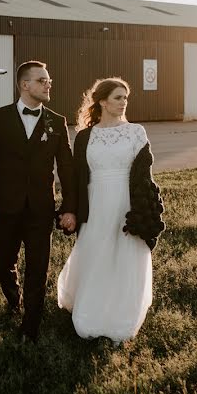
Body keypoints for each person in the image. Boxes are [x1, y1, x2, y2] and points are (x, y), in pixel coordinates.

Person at [0, 61, 77, 342]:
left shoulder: (56, 121)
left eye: (49, 80)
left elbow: (66, 168)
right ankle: (13, 299)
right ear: (24, 85)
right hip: (4, 208)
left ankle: (31, 325)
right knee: (4, 261)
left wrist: (69, 206)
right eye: (42, 80)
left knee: (38, 267)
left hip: (40, 209)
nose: (48, 84)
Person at [57, 77, 165, 343]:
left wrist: (144, 211)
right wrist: (71, 209)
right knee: (96, 254)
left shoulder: (136, 132)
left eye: (125, 98)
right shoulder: (84, 137)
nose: (123, 102)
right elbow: (76, 178)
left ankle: (122, 312)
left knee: (125, 254)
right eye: (118, 97)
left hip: (126, 203)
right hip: (95, 204)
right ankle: (91, 308)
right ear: (102, 101)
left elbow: (144, 175)